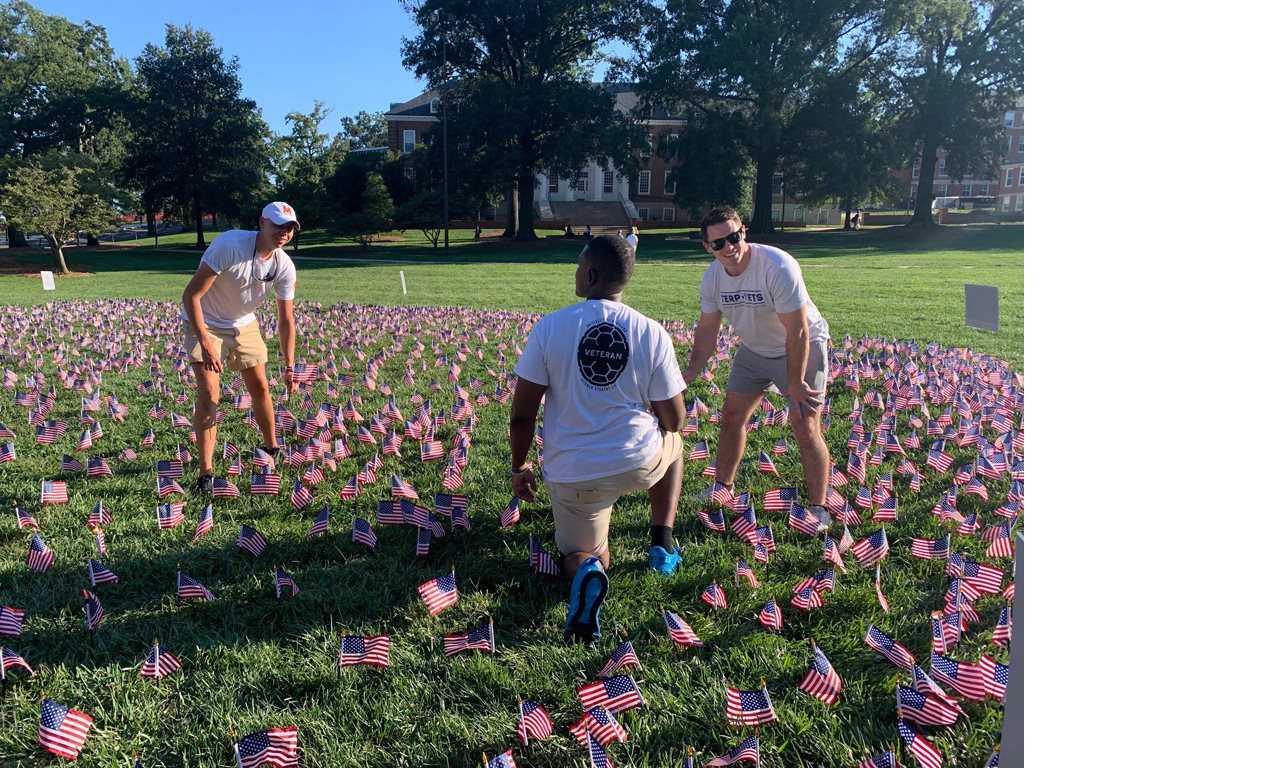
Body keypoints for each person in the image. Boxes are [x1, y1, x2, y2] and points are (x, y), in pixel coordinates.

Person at [509, 234, 686, 643]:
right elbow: (674, 419)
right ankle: (661, 543)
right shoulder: (651, 331)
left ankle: (589, 571)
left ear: (590, 274)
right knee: (675, 444)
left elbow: (522, 415)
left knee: (583, 555)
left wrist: (519, 466)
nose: (575, 272)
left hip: (574, 474)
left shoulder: (550, 327)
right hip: (638, 462)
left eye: (577, 265)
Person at [682, 207, 832, 527]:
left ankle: (819, 508)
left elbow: (799, 330)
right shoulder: (713, 277)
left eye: (733, 237)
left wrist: (794, 381)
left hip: (802, 346)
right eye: (718, 243)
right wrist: (692, 370)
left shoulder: (777, 266)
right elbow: (708, 328)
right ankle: (722, 487)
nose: (729, 247)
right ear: (708, 247)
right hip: (754, 350)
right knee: (732, 417)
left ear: (743, 232)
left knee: (805, 425)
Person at [180, 202, 301, 493]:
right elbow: (191, 296)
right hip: (205, 322)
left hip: (243, 323)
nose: (283, 233)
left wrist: (288, 365)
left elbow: (286, 320)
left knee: (260, 387)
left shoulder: (284, 265)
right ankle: (206, 474)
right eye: (278, 225)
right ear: (262, 223)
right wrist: (206, 343)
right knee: (209, 394)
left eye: (289, 228)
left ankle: (272, 449)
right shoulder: (230, 245)